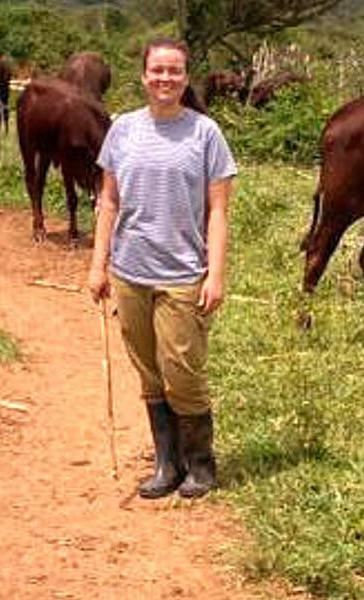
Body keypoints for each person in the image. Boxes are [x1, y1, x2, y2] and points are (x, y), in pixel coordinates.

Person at [85, 38, 236, 499]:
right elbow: (108, 201)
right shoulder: (122, 130)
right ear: (144, 75)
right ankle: (166, 465)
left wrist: (215, 273)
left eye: (174, 71)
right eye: (157, 71)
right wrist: (98, 264)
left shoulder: (205, 134)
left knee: (182, 370)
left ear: (185, 78)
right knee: (150, 373)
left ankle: (201, 465)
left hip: (182, 275)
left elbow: (217, 211)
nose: (165, 79)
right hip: (130, 271)